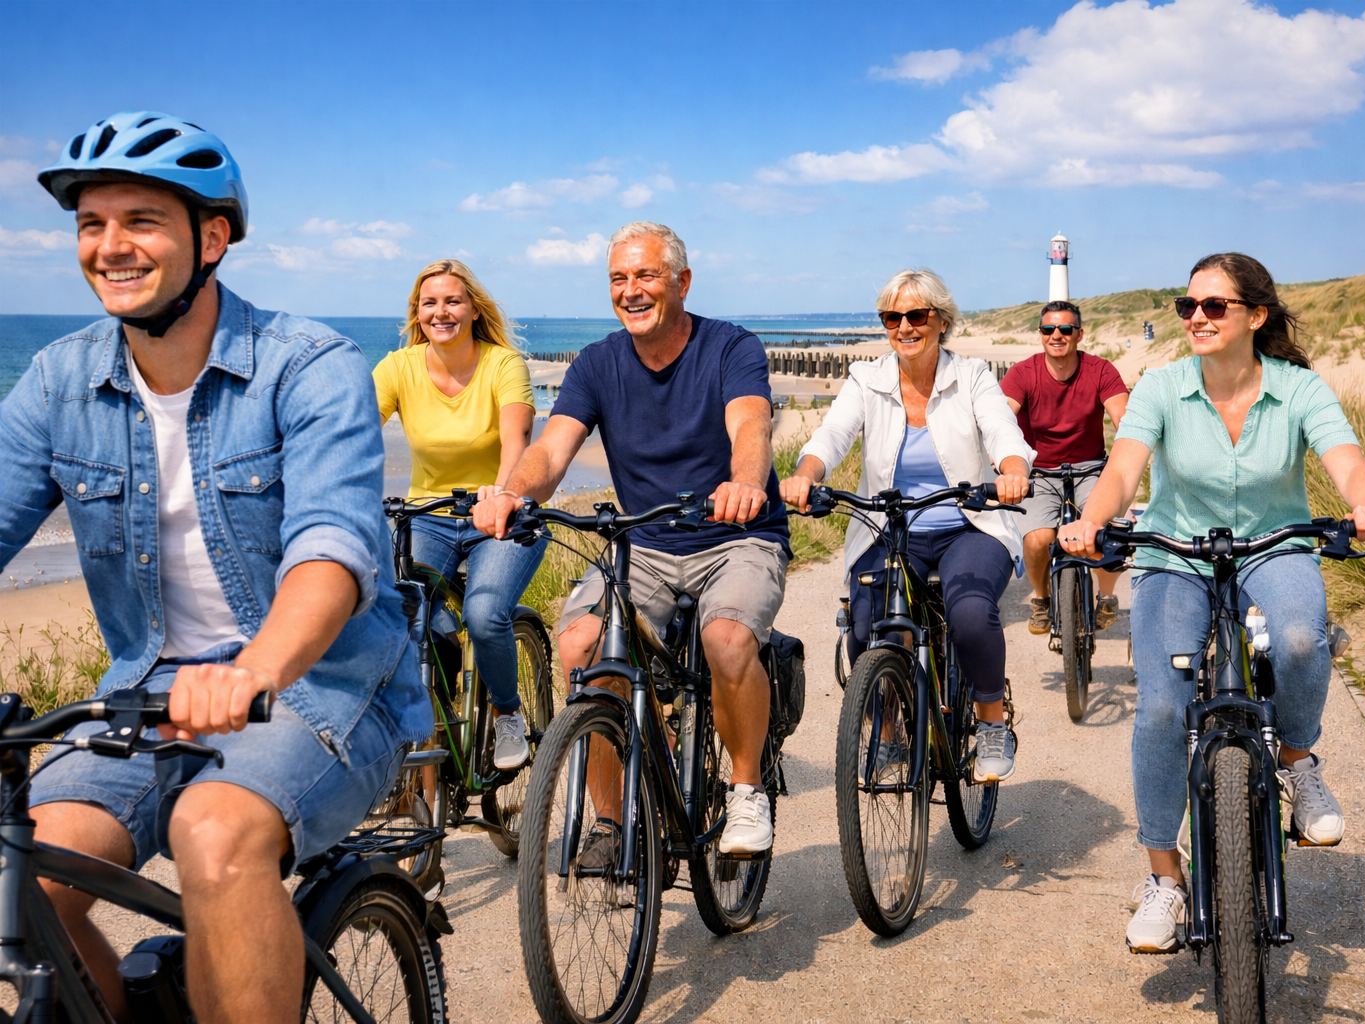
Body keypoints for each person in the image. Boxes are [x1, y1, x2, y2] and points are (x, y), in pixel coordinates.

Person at [1, 112, 431, 1023]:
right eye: (90, 224)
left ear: (213, 237)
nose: (109, 246)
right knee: (19, 873)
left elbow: (331, 549)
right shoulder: (55, 381)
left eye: (140, 222)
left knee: (215, 833)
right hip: (142, 693)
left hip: (325, 687)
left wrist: (253, 671)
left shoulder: (307, 366)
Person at [1056, 253, 1365, 954]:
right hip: (1175, 554)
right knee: (1159, 706)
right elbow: (1124, 469)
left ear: (1255, 316)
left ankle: (1299, 764)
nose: (1198, 319)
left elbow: (1345, 461)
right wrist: (1093, 519)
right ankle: (1163, 877)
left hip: (1276, 546)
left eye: (1215, 306)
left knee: (1303, 639)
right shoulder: (1162, 387)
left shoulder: (1300, 390)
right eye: (1189, 307)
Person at [474, 221, 788, 855]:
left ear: (681, 281)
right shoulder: (596, 363)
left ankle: (748, 789)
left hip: (736, 534)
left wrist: (745, 482)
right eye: (619, 279)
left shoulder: (730, 348)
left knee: (726, 641)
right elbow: (552, 448)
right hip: (643, 542)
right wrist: (514, 492)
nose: (631, 290)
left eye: (645, 275)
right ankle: (613, 823)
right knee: (582, 646)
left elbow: (750, 426)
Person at [781, 269, 1033, 781]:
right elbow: (832, 435)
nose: (904, 326)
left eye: (916, 316)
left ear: (941, 321)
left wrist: (1012, 469)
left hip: (969, 524)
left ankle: (990, 723)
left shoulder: (973, 375)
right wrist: (805, 474)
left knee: (969, 612)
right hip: (890, 528)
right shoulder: (866, 379)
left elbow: (1002, 429)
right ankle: (890, 730)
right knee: (863, 624)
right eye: (892, 317)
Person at [374, 259, 548, 770]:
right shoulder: (398, 367)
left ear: (473, 309)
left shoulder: (503, 364)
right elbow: (353, 428)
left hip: (503, 515)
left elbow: (517, 441)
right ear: (417, 313)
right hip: (427, 514)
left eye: (453, 301)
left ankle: (507, 713)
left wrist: (505, 494)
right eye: (430, 303)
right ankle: (438, 716)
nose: (441, 311)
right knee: (404, 613)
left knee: (484, 613)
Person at [998, 300, 1129, 634]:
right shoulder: (1023, 374)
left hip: (1091, 467)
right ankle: (1041, 600)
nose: (1056, 335)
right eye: (1048, 329)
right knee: (1038, 539)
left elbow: (1125, 422)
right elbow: (1000, 420)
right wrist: (1002, 460)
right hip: (1041, 471)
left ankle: (1107, 595)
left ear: (1079, 334)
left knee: (1104, 531)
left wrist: (1125, 461)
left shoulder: (1100, 370)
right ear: (1040, 335)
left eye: (1065, 329)